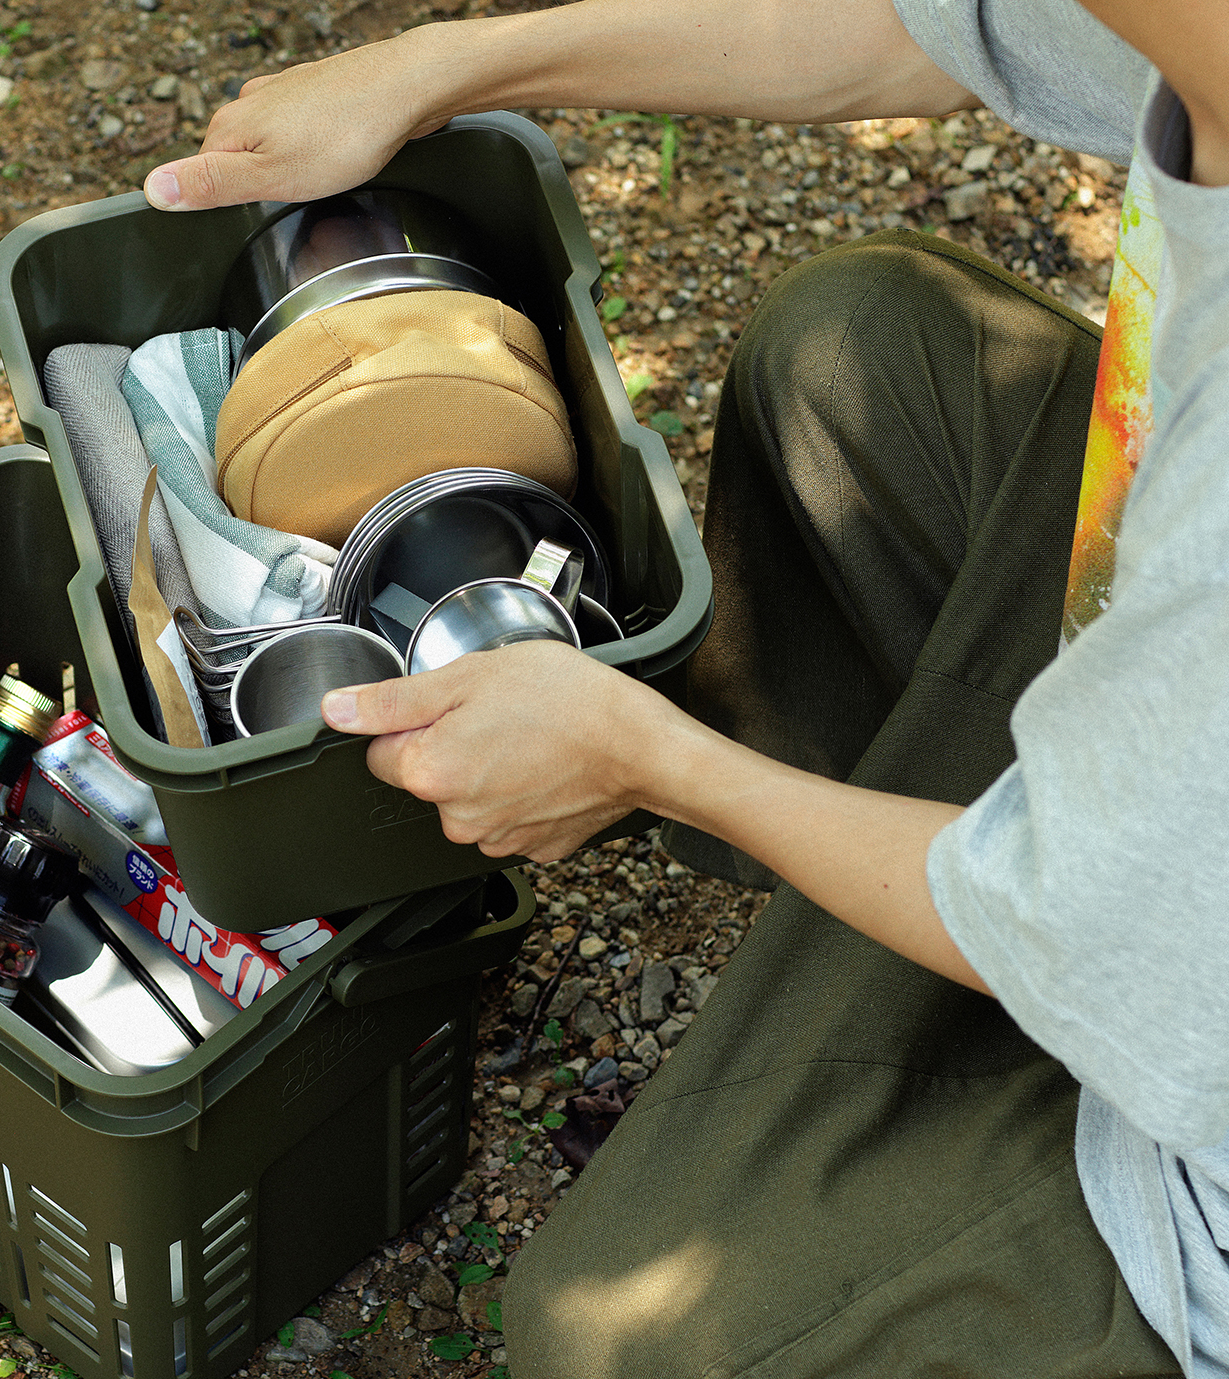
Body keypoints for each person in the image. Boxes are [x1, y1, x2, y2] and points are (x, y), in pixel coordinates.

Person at [145, 1, 1227, 1374]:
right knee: (863, 353)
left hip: (1184, 1105)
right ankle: (882, 894)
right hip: (1173, 781)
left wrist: (651, 757)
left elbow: (1098, 936)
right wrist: (434, 68)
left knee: (615, 1342)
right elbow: (914, 30)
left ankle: (937, 1032)